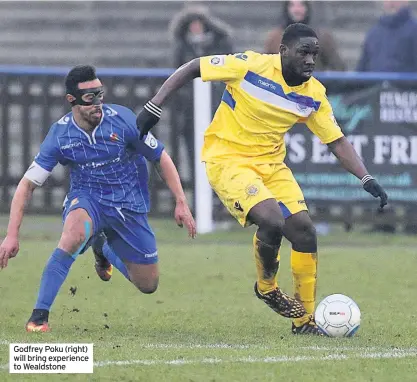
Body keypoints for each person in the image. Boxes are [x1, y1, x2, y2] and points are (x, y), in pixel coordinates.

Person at [136, 23, 388, 335]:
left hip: (271, 165)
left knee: (305, 232)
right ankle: (267, 287)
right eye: (303, 52)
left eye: (315, 54)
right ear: (283, 52)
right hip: (228, 159)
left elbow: (336, 141)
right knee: (271, 219)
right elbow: (193, 67)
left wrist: (365, 178)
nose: (311, 60)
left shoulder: (313, 95)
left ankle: (304, 322)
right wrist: (154, 106)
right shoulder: (250, 65)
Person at [0, 65, 196, 332]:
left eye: (99, 95)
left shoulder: (123, 120)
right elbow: (26, 185)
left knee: (148, 284)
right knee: (73, 236)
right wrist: (12, 234)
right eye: (89, 98)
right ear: (72, 100)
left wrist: (181, 202)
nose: (97, 103)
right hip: (87, 199)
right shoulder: (60, 135)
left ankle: (103, 247)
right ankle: (39, 316)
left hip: (129, 205)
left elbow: (160, 156)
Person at [169, 6, 233, 176]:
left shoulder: (220, 43)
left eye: (199, 23)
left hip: (217, 104)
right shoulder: (182, 48)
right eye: (192, 24)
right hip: (190, 109)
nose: (196, 27)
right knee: (193, 149)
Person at [265, 0, 345, 71]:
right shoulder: (275, 37)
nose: (297, 10)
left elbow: (338, 67)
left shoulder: (322, 36)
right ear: (286, 8)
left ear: (308, 7)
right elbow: (266, 66)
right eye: (292, 5)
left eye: (301, 5)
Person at [356, 1, 417, 72]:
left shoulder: (414, 30)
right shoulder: (374, 33)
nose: (391, 3)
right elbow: (362, 67)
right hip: (375, 82)